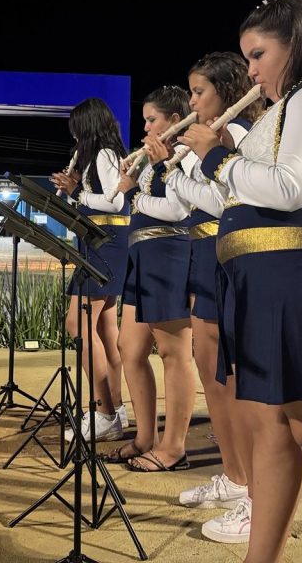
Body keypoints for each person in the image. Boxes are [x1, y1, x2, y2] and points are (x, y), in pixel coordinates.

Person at [180, 0, 302, 559]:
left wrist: (218, 158)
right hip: (265, 283)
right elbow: (242, 197)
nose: (251, 70)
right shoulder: (279, 113)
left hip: (301, 278)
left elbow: (291, 189)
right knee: (270, 434)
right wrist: (221, 154)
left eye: (259, 54)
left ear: (298, 46)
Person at [153, 52, 262, 535]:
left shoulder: (233, 135)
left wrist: (190, 164)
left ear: (225, 89)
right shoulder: (207, 140)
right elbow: (180, 202)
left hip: (226, 256)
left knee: (231, 380)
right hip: (203, 257)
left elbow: (223, 200)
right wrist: (168, 169)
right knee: (209, 373)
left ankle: (254, 487)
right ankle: (235, 476)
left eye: (199, 92)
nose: (193, 101)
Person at [104, 85, 196, 473]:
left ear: (174, 121)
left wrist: (136, 194)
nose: (146, 128)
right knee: (131, 348)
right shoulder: (152, 159)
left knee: (175, 354)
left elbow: (178, 209)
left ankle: (174, 447)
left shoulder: (186, 154)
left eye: (152, 120)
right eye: (144, 120)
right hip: (141, 255)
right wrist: (134, 180)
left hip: (170, 254)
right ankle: (145, 437)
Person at [51, 97, 129, 443]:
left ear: (87, 126)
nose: (73, 135)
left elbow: (115, 201)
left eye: (76, 128)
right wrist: (72, 191)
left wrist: (77, 192)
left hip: (106, 243)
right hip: (100, 242)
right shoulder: (96, 156)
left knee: (77, 322)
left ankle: (103, 411)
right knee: (104, 326)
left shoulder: (105, 155)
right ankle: (116, 408)